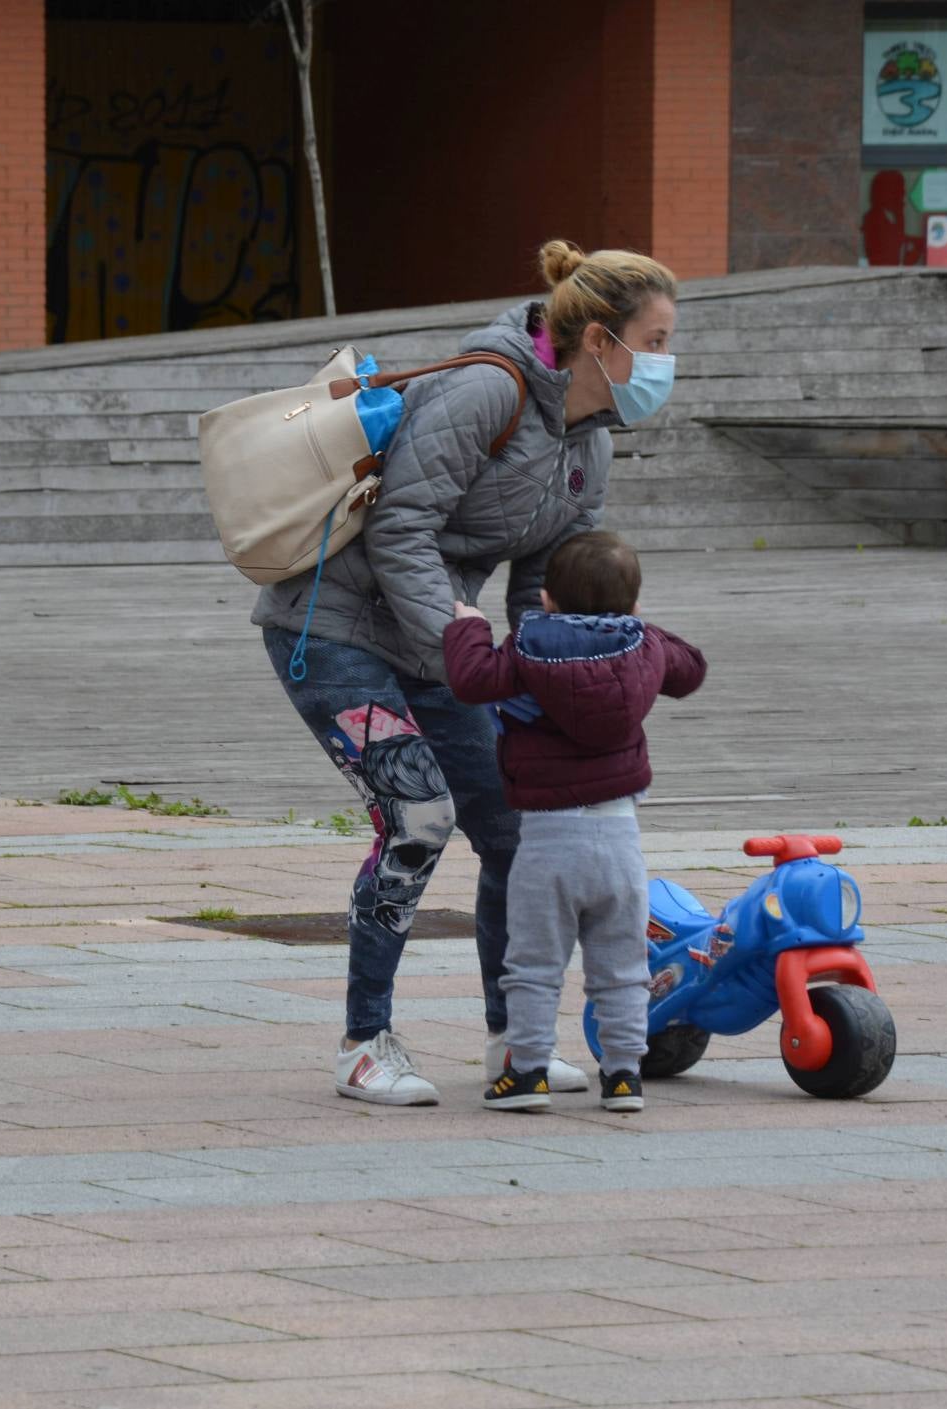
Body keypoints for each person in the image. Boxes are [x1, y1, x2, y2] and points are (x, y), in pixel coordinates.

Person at [252, 240, 679, 1106]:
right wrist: (462, 643)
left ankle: (512, 1045)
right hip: (332, 628)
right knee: (417, 815)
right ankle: (365, 1043)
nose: (667, 361)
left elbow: (546, 581)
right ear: (603, 340)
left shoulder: (590, 440)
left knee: (516, 823)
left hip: (440, 642)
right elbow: (400, 529)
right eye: (659, 339)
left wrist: (546, 679)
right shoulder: (492, 387)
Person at [442, 531, 707, 1113]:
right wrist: (644, 630)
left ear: (546, 599)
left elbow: (471, 681)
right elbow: (691, 672)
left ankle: (529, 1072)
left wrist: (468, 625)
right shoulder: (644, 648)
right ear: (633, 604)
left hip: (546, 839)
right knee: (621, 968)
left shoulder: (530, 646)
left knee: (533, 966)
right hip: (619, 840)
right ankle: (622, 1077)